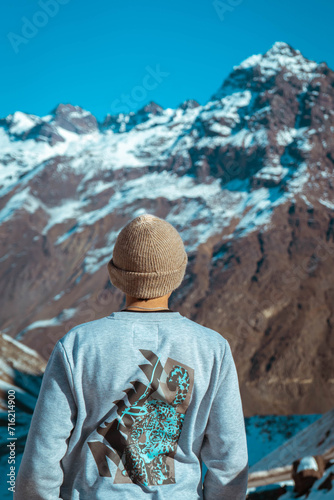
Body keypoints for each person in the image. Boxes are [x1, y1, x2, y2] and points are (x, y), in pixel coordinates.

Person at [14, 213, 249, 499]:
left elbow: (41, 458)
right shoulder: (212, 348)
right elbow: (230, 462)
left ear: (116, 275)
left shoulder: (78, 345)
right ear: (178, 275)